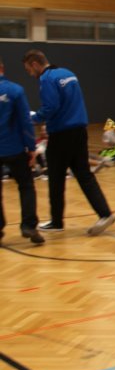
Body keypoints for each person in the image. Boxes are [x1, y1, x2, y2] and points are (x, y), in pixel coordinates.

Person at [23, 50, 115, 236]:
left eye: (29, 70)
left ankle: (57, 221)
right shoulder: (68, 73)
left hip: (61, 134)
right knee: (84, 175)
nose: (30, 74)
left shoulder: (46, 79)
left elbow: (51, 107)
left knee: (55, 177)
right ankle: (105, 213)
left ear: (35, 64)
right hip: (79, 131)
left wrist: (33, 118)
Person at [0, 57, 42, 245]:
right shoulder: (15, 90)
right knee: (26, 186)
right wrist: (31, 148)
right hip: (14, 148)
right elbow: (25, 121)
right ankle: (29, 226)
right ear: (2, 68)